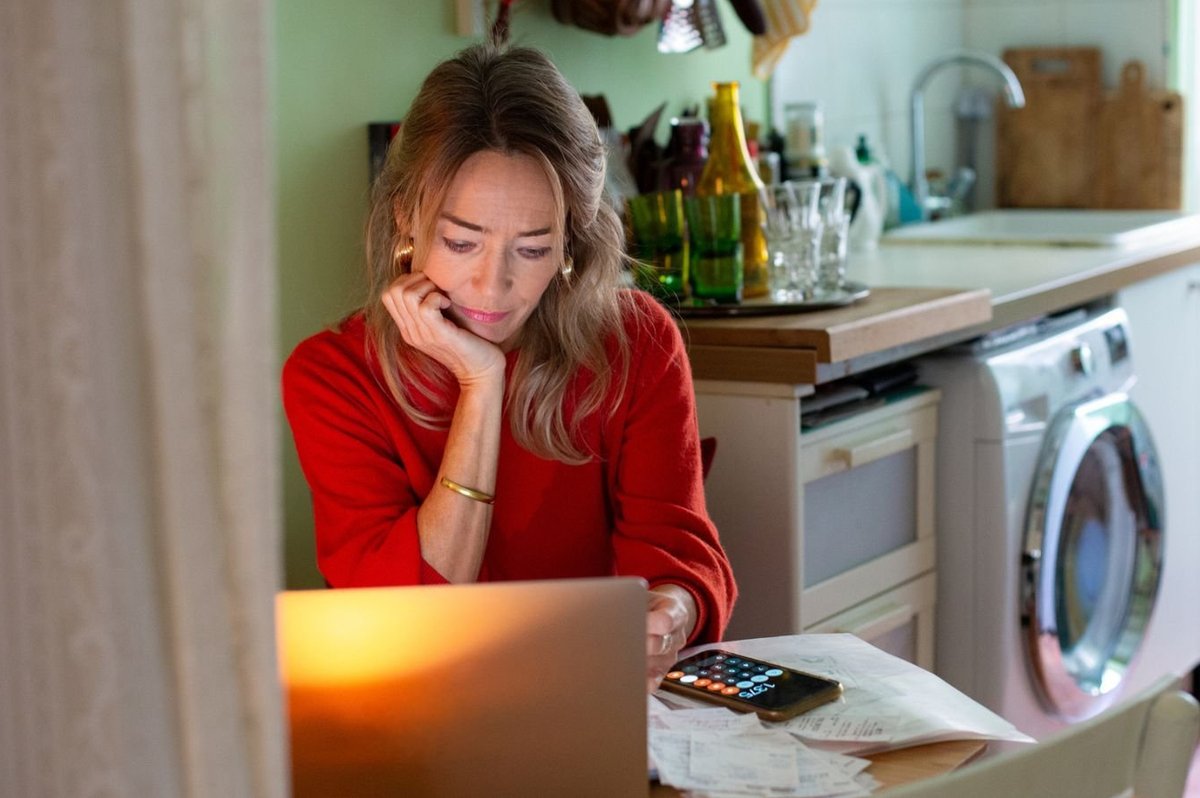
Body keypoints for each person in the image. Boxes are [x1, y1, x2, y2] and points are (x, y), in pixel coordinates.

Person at [282, 42, 736, 691]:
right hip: (418, 726)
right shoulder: (331, 378)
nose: (492, 287)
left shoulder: (637, 344)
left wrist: (673, 610)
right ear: (407, 217)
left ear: (573, 240)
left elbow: (679, 553)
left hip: (599, 705)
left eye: (532, 248)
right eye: (462, 242)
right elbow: (410, 618)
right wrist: (481, 383)